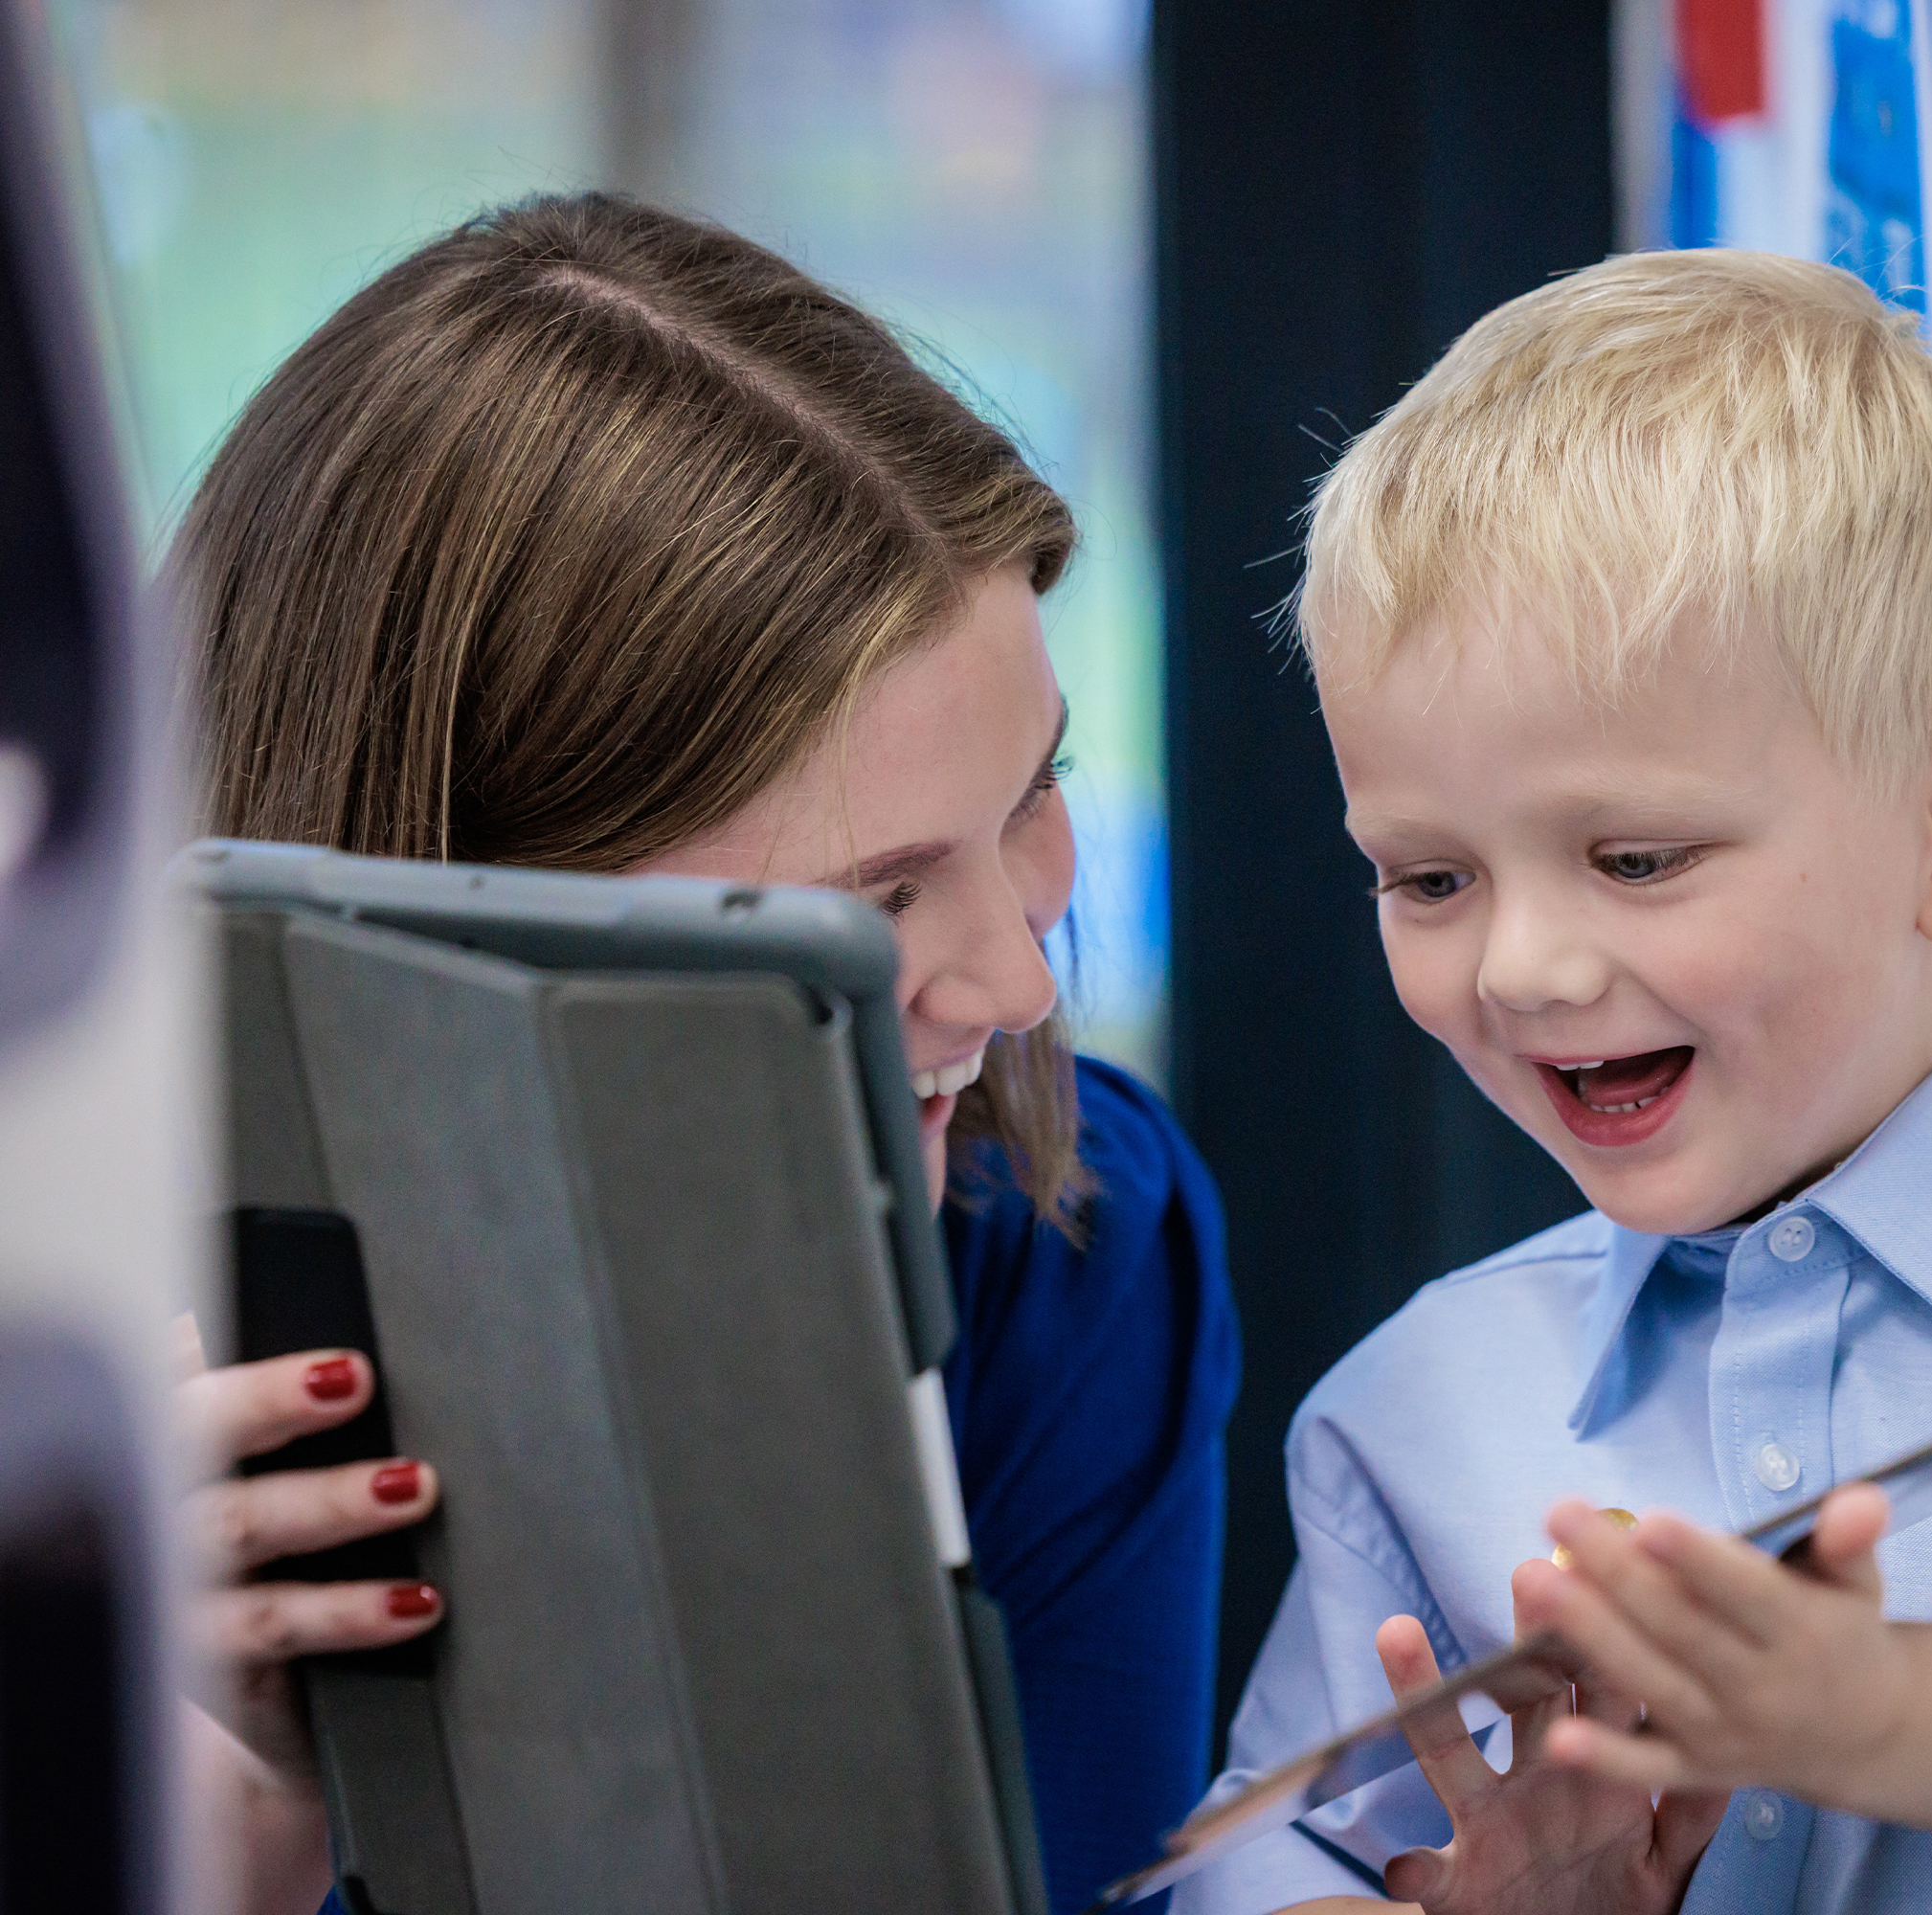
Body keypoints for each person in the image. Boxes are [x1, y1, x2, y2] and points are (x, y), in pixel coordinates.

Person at [1177, 249, 1932, 1915]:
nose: (1522, 966)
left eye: (1636, 855)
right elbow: (1254, 1874)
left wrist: (1862, 1706)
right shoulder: (1407, 1412)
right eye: (1428, 878)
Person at [168, 192, 1237, 1915]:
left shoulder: (1059, 1241)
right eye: (877, 897)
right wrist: (246, 1835)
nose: (1018, 986)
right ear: (450, 923)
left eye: (1033, 784)